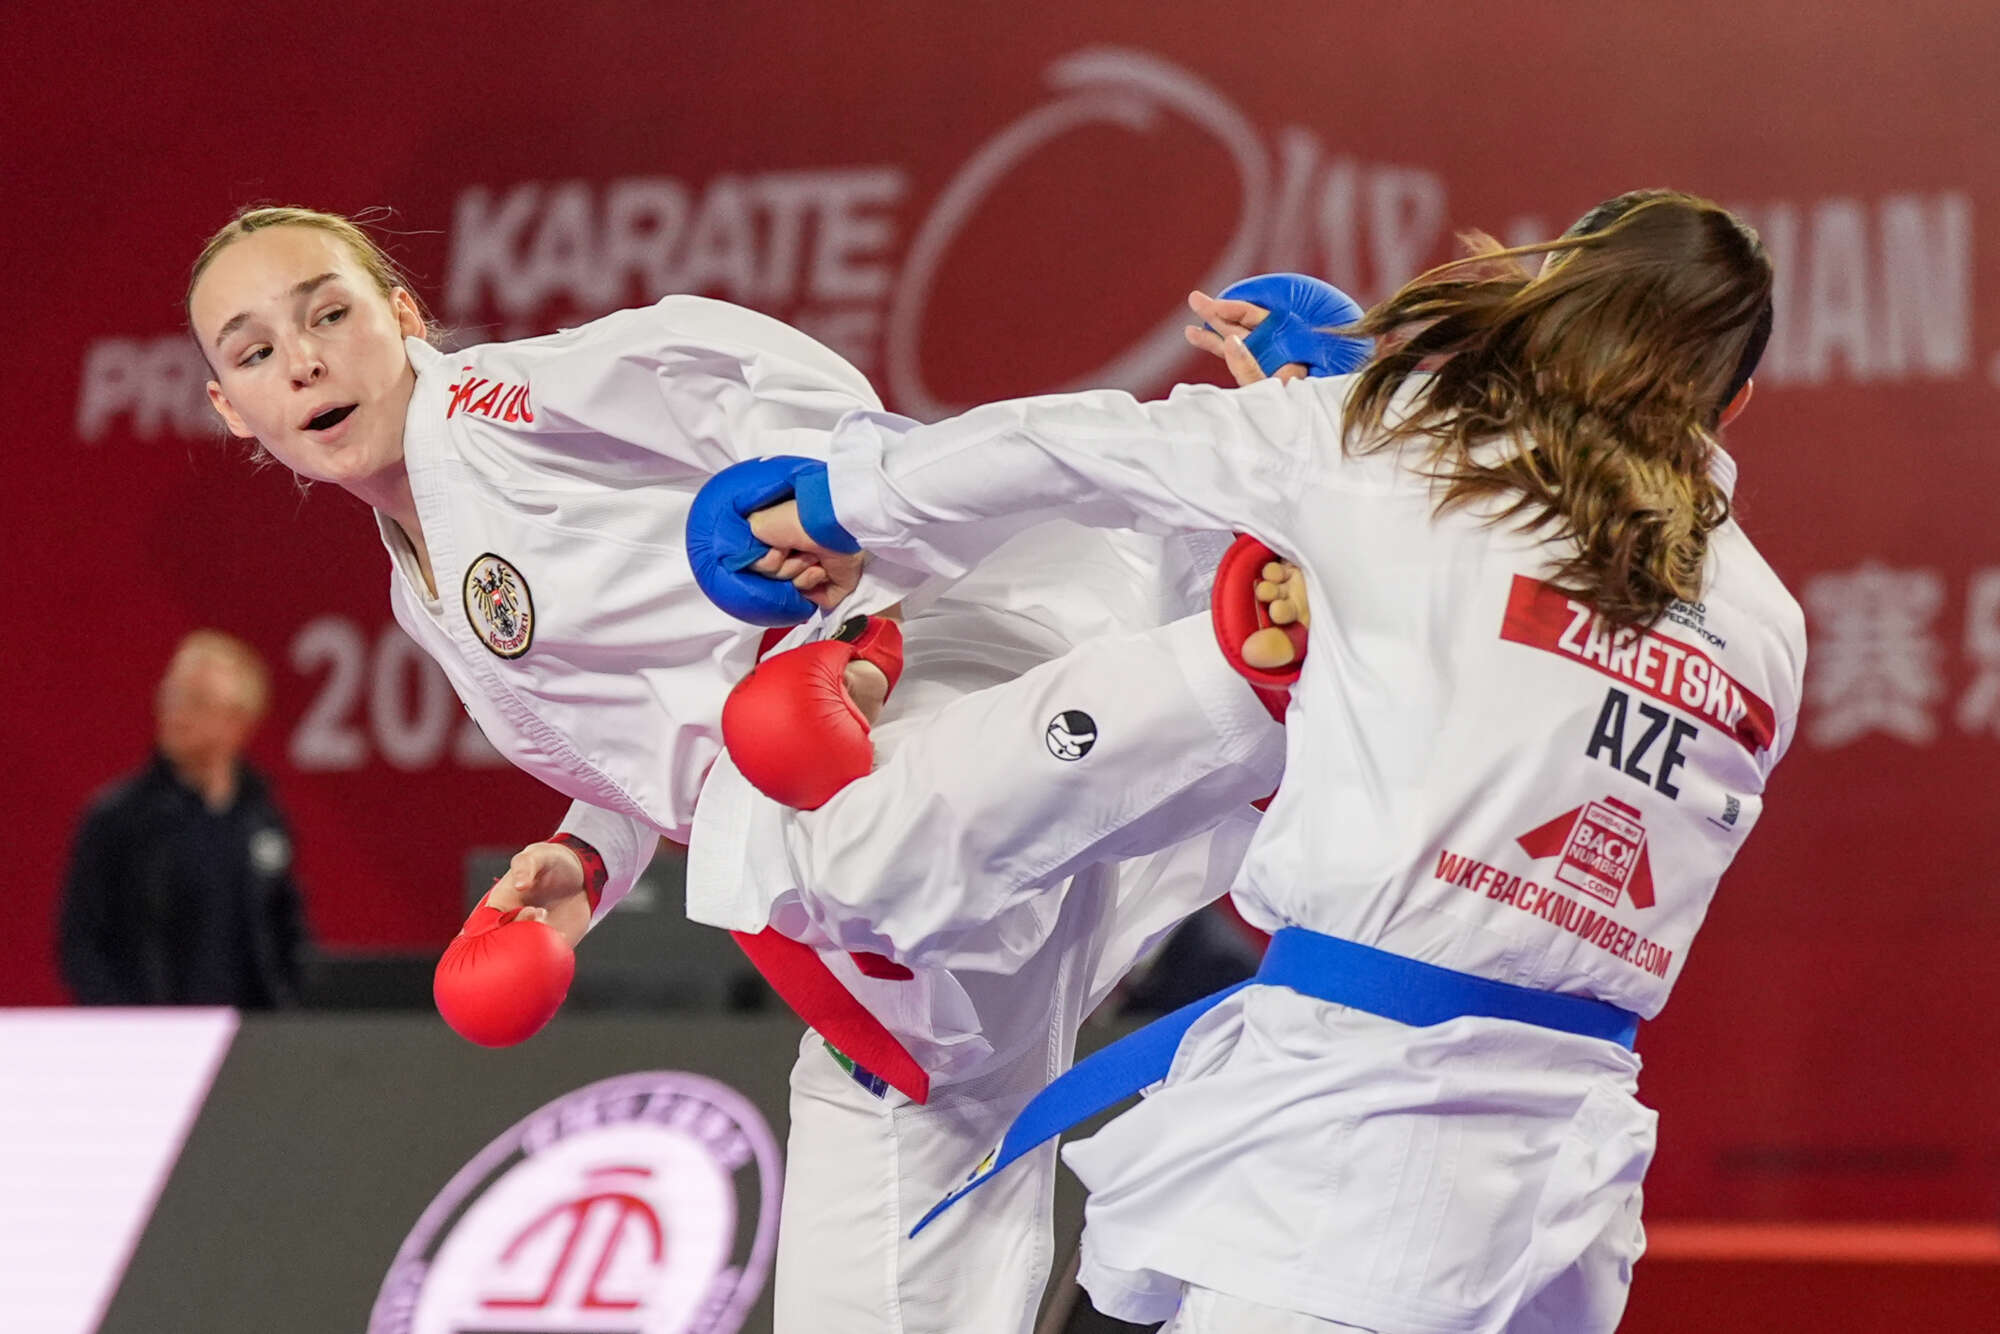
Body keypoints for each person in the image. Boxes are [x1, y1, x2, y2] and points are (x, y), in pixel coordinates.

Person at [184, 205, 1297, 1332]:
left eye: (330, 314)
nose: (305, 360)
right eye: (256, 352)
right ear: (232, 408)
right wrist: (588, 858)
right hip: (896, 932)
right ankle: (1252, 636)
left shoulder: (504, 406)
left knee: (831, 837)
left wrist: (838, 519)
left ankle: (1260, 654)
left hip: (936, 685)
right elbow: (665, 739)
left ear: (404, 316)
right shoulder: (416, 590)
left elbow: (724, 371)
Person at [735, 190, 1806, 1333]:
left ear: (1546, 310)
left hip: (1352, 1151)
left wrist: (838, 500)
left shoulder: (1403, 448)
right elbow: (1496, 668)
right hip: (1565, 1174)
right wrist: (1315, 445)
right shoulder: (1766, 626)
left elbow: (1071, 447)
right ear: (1733, 402)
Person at [58, 630, 309, 1007]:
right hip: (150, 1034)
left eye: (197, 702)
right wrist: (126, 1023)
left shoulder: (261, 818)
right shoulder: (119, 819)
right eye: (171, 697)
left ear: (238, 721)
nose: (176, 714)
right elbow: (82, 944)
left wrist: (287, 1012)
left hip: (250, 1032)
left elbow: (285, 931)